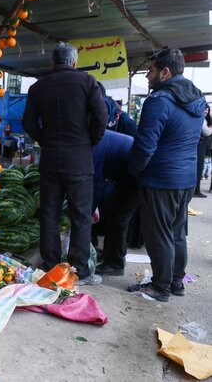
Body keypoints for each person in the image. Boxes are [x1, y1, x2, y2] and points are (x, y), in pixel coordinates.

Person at [22, 42, 108, 285]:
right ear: (74, 62)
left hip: (50, 160)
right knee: (80, 216)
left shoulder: (38, 87)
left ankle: (51, 266)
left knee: (48, 214)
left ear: (53, 62)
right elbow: (102, 117)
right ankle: (78, 271)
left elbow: (28, 123)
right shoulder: (88, 82)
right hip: (80, 160)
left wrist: (45, 139)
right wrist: (90, 140)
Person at [127, 48, 206, 302]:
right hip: (186, 179)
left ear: (165, 72)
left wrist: (133, 171)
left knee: (159, 234)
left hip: (161, 180)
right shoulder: (196, 99)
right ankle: (175, 282)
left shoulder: (159, 100)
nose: (148, 76)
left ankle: (160, 287)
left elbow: (145, 145)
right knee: (177, 233)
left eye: (150, 70)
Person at [92, 131, 138, 276]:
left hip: (135, 174)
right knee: (114, 214)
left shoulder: (93, 145)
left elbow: (95, 182)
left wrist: (92, 208)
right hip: (126, 173)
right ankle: (111, 255)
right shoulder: (93, 137)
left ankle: (115, 263)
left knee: (118, 218)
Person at [193, 104, 211, 197]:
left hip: (199, 146)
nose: (206, 111)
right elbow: (206, 132)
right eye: (205, 110)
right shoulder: (201, 119)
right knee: (198, 168)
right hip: (200, 146)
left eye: (208, 110)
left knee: (199, 168)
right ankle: (196, 191)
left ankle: (196, 190)